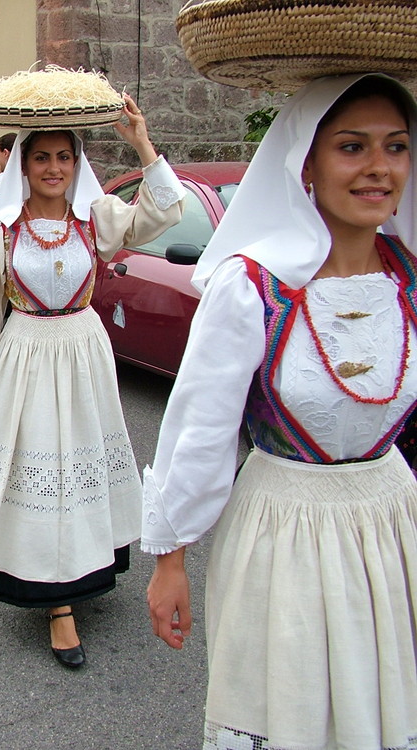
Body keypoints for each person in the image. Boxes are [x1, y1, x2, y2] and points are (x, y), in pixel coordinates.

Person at [144, 74, 417, 748]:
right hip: (285, 530)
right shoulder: (253, 286)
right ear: (307, 164)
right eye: (352, 147)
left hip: (394, 524)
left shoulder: (409, 278)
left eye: (397, 146)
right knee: (295, 707)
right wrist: (171, 558)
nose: (379, 168)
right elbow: (200, 429)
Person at [0, 96, 184, 669]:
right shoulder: (2, 230)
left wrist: (141, 142)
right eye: (42, 158)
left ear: (77, 163)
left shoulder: (97, 217)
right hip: (27, 352)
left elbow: (164, 211)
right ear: (24, 165)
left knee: (78, 463)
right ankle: (55, 601)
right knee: (38, 463)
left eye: (64, 157)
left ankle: (83, 562)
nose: (54, 168)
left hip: (85, 352)